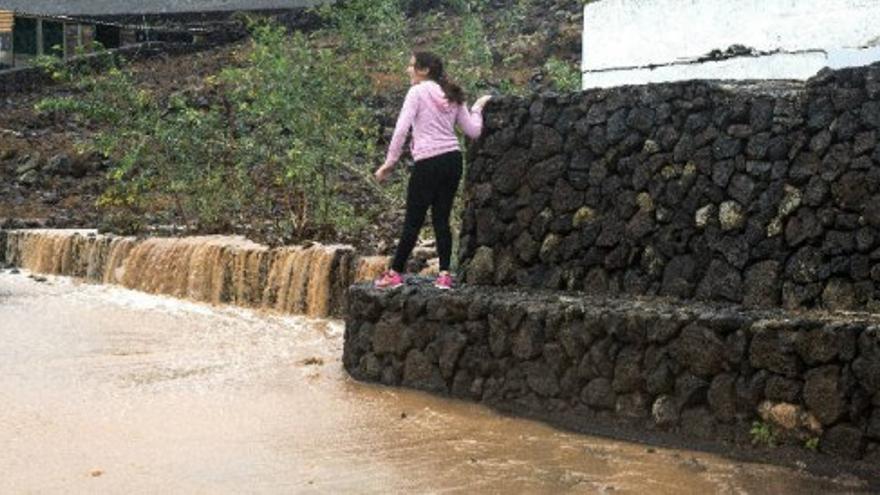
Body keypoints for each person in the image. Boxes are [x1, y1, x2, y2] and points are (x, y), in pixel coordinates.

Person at [373, 51, 492, 290]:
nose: (408, 70)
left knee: (413, 221)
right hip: (453, 160)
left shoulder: (417, 92)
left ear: (424, 70)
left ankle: (395, 273)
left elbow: (400, 130)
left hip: (428, 162)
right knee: (441, 219)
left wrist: (390, 162)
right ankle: (445, 276)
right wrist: (478, 107)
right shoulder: (453, 94)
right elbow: (474, 131)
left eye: (411, 66)